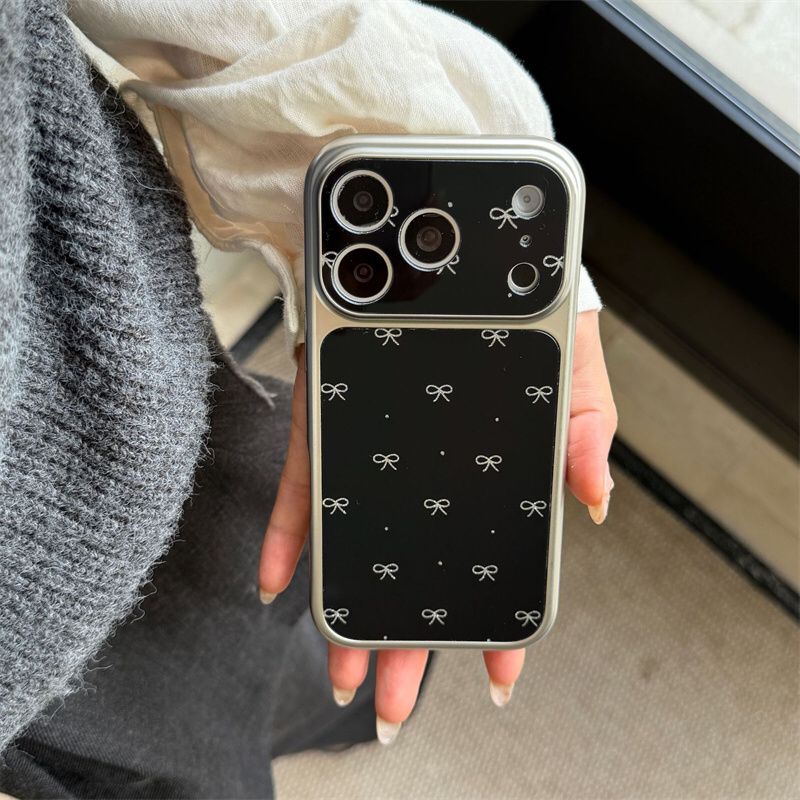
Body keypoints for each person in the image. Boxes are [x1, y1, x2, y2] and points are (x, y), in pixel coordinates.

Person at [0, 0, 617, 794]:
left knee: (300, 595)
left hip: (107, 411)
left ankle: (339, 711)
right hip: (46, 639)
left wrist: (382, 133)